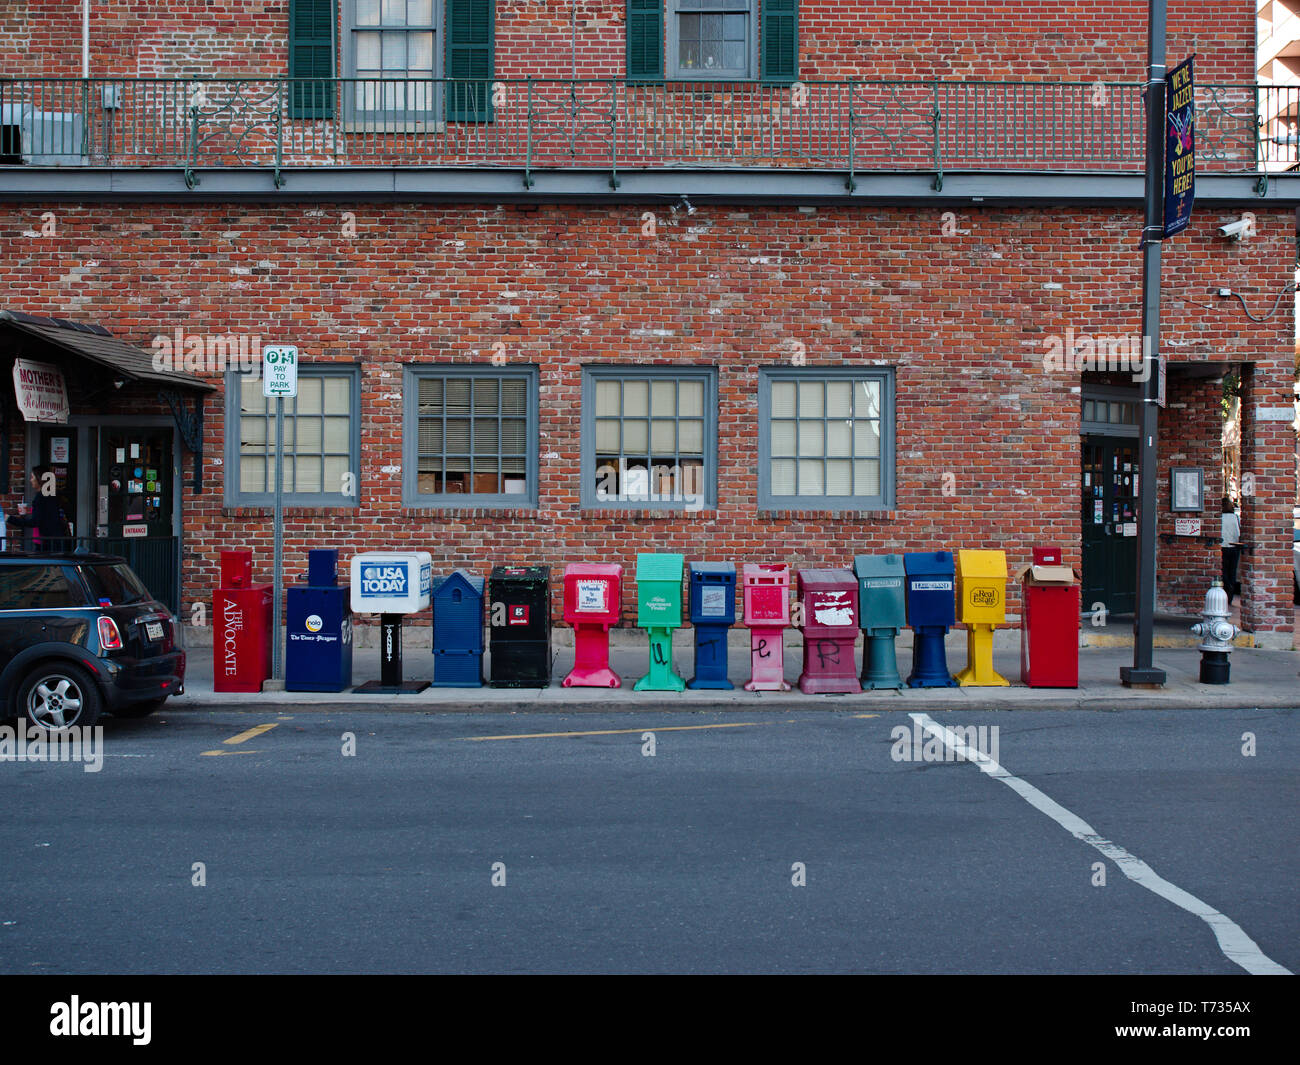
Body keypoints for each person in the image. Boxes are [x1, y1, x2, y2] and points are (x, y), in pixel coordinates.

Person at [7, 465, 68, 553]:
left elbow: (35, 522)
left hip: (46, 543)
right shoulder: (50, 495)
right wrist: (30, 510)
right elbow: (46, 514)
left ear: (40, 479)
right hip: (54, 540)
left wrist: (9, 518)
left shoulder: (40, 497)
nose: (30, 480)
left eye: (32, 477)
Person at [1220, 495, 1242, 607]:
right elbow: (1239, 533)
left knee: (1223, 571)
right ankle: (1230, 596)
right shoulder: (1236, 517)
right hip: (1234, 547)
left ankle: (1227, 587)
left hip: (1222, 546)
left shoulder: (1219, 518)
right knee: (1232, 571)